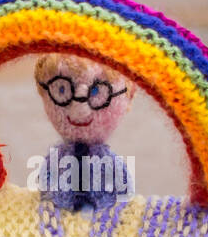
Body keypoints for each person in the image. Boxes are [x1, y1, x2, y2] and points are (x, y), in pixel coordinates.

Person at [34, 54, 135, 211]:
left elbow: (123, 188)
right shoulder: (58, 159)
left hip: (102, 211)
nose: (79, 111)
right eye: (62, 89)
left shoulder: (107, 161)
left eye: (96, 91)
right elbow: (45, 182)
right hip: (61, 210)